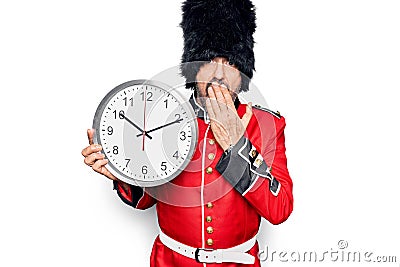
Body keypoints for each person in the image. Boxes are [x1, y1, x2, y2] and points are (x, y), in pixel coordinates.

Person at [81, 0, 293, 266]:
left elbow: (280, 209)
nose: (220, 75)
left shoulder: (268, 124)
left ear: (243, 71)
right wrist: (124, 173)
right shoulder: (163, 119)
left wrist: (238, 144)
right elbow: (146, 199)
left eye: (230, 63)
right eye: (209, 61)